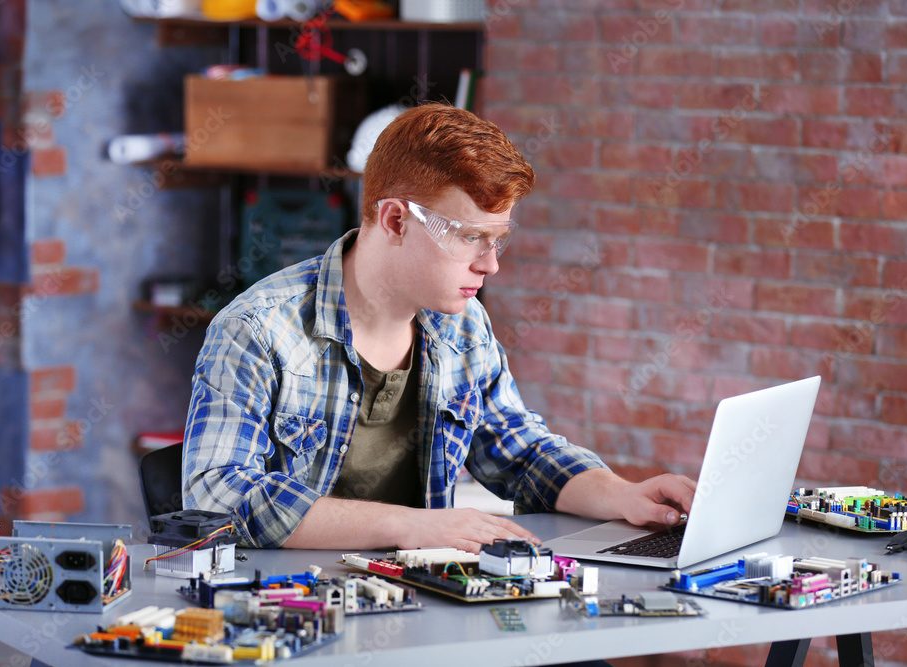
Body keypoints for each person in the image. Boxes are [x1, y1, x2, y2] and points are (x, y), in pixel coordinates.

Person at [183, 103, 695, 551]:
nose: (490, 265)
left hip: (424, 601)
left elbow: (520, 450)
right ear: (395, 221)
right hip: (296, 615)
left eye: (498, 240)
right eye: (472, 237)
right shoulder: (256, 330)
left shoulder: (462, 325)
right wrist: (411, 526)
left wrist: (622, 495)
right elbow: (218, 495)